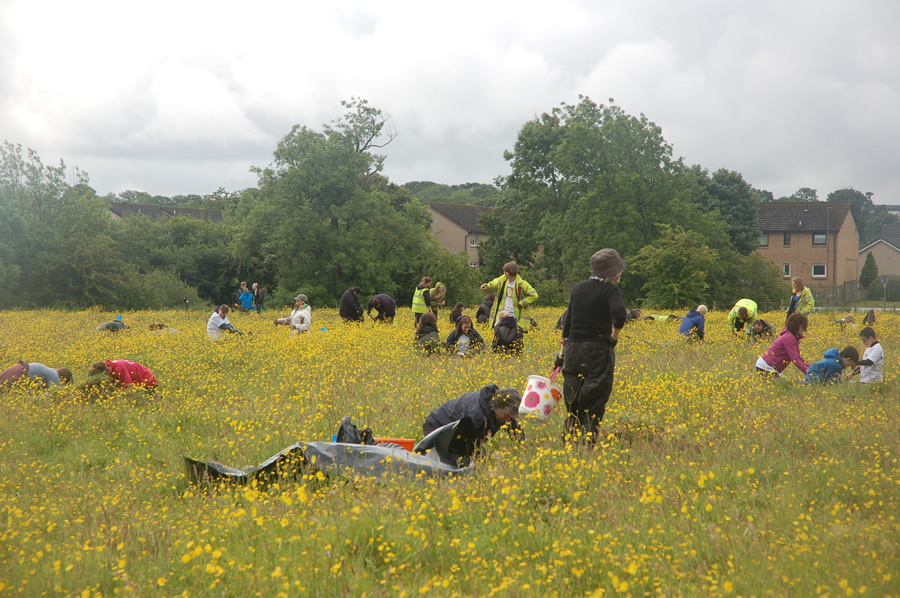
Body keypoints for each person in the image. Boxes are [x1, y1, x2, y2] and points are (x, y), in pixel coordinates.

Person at [558, 249, 627, 443]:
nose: (621, 273)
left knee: (573, 402)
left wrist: (561, 355)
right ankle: (587, 445)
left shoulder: (578, 288)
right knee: (594, 403)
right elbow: (620, 316)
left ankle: (568, 443)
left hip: (572, 351)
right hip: (597, 350)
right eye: (619, 269)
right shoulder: (610, 290)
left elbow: (567, 324)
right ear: (611, 272)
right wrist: (613, 338)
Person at [422, 384, 522, 447]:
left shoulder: (503, 405)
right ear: (496, 408)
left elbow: (513, 426)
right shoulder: (476, 417)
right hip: (436, 427)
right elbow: (465, 447)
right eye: (507, 416)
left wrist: (522, 445)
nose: (508, 419)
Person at [480, 262, 538, 326]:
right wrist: (486, 287)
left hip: (514, 315)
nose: (504, 273)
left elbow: (534, 295)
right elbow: (493, 284)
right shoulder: (502, 280)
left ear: (511, 272)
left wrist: (521, 303)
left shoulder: (522, 284)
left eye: (506, 271)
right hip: (502, 314)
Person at [756, 313, 809, 378]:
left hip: (765, 366)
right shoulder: (789, 338)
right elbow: (795, 360)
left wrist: (811, 367)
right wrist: (809, 373)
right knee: (786, 385)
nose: (804, 329)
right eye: (803, 327)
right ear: (796, 326)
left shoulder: (791, 337)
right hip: (766, 366)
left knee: (785, 383)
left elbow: (798, 357)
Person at [87, 359, 158, 390]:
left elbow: (129, 387)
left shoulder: (119, 369)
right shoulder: (111, 367)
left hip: (148, 383)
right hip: (139, 384)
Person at [0, 361, 72, 389]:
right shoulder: (54, 375)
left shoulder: (49, 371)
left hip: (16, 369)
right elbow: (53, 395)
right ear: (63, 379)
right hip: (20, 374)